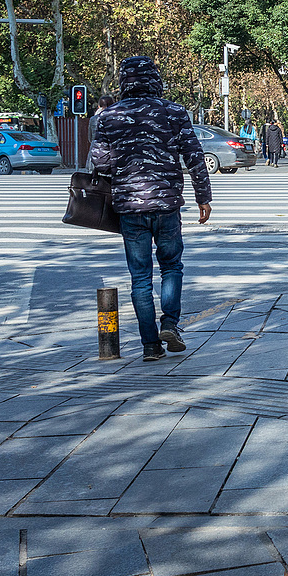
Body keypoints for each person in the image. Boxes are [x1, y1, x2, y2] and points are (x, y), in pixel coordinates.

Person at [89, 56, 212, 362]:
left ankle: (150, 346)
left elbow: (99, 162)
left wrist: (123, 159)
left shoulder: (109, 116)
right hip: (167, 205)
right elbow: (195, 156)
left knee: (140, 278)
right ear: (155, 80)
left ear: (123, 81)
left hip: (130, 208)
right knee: (171, 266)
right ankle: (169, 324)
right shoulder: (174, 112)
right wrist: (203, 197)